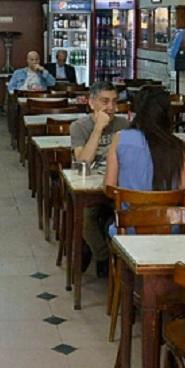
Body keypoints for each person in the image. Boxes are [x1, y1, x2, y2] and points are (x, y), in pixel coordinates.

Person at [70, 82, 129, 276]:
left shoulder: (124, 125)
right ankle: (103, 258)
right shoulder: (79, 127)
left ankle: (123, 259)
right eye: (105, 101)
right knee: (87, 217)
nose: (111, 107)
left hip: (117, 185)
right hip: (89, 186)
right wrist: (98, 129)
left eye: (114, 102)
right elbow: (83, 162)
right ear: (91, 103)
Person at [104, 87, 185, 203]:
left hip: (129, 219)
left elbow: (109, 188)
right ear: (166, 115)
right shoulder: (177, 147)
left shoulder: (120, 138)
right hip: (168, 219)